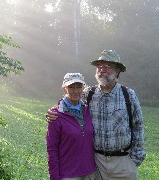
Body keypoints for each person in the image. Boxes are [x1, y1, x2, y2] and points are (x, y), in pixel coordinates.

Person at [47, 50, 146, 180]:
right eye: (99, 66)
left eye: (108, 66)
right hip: (96, 164)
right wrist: (53, 112)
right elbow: (70, 101)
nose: (102, 70)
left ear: (118, 71)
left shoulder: (128, 95)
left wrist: (135, 158)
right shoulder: (88, 94)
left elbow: (138, 125)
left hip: (123, 163)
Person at [46, 73, 96, 180]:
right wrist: (54, 176)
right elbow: (52, 149)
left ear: (83, 88)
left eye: (78, 87)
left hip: (90, 173)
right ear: (65, 89)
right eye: (71, 87)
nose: (75, 91)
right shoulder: (56, 116)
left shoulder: (88, 111)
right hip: (68, 175)